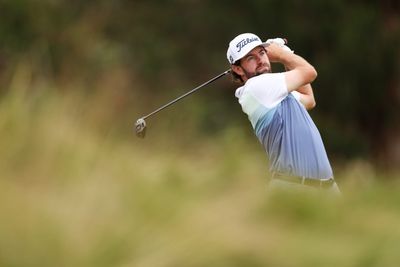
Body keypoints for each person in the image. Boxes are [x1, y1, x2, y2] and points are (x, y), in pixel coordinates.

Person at [226, 33, 340, 194]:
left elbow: (309, 99)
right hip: (294, 188)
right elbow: (310, 73)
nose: (260, 60)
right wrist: (282, 55)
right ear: (237, 69)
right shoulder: (256, 87)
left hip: (326, 188)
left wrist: (288, 56)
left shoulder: (274, 93)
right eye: (251, 58)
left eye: (262, 52)